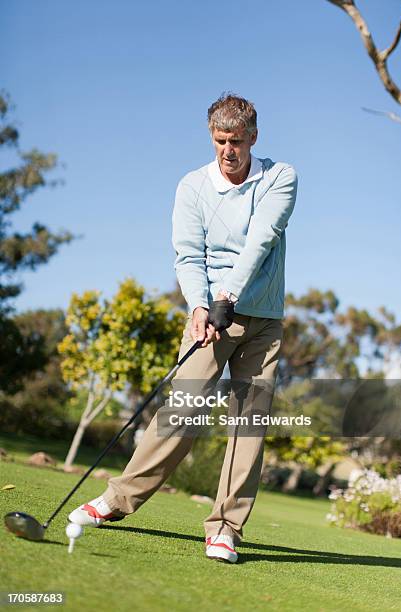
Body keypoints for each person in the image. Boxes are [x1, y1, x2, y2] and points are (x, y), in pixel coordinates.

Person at [69, 93, 298, 564]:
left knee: (249, 426)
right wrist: (198, 307)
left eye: (236, 140)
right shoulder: (192, 186)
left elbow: (261, 241)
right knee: (183, 409)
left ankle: (225, 528)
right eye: (219, 140)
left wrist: (226, 299)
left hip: (261, 321)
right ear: (211, 137)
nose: (228, 150)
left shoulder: (280, 177)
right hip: (209, 318)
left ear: (254, 137)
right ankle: (117, 500)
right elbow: (188, 254)